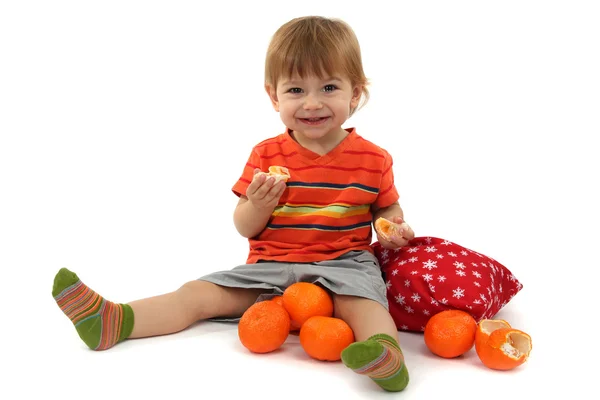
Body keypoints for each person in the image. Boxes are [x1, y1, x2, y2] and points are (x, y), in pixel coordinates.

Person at [52, 15, 415, 393]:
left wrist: (395, 226)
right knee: (197, 294)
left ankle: (386, 357)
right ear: (273, 95)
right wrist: (258, 204)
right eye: (295, 90)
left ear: (354, 93)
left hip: (344, 264)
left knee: (366, 307)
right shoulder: (266, 154)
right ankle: (114, 320)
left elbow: (386, 209)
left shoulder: (375, 158)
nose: (311, 103)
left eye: (328, 87)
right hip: (272, 265)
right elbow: (244, 226)